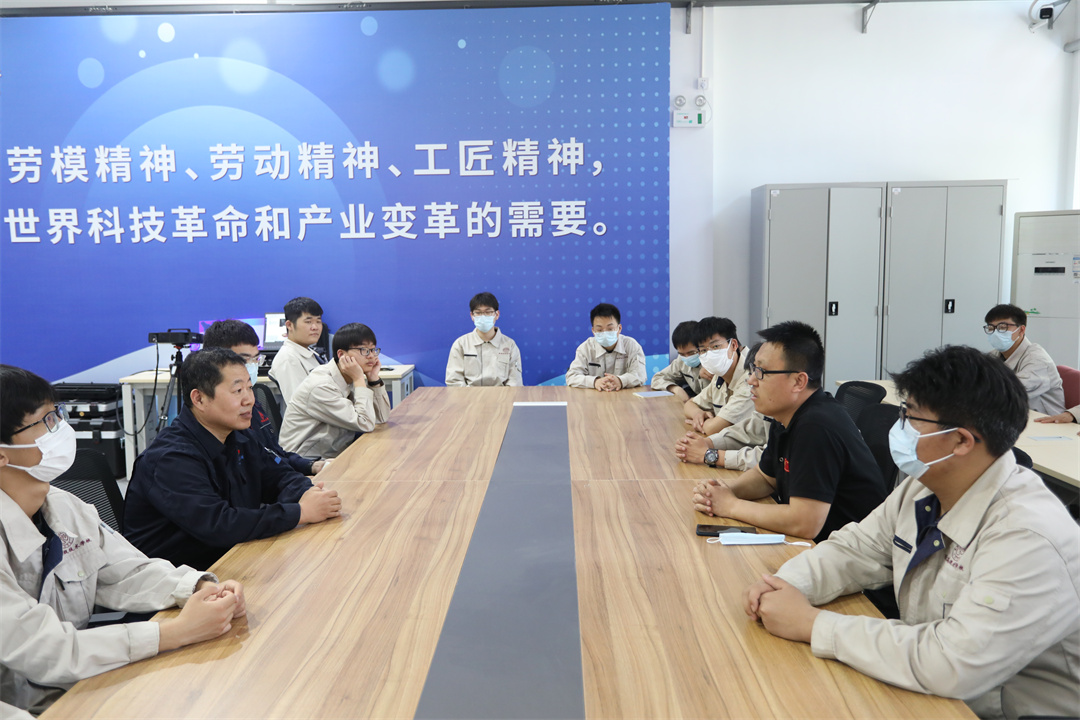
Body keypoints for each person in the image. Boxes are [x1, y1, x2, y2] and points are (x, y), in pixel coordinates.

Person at [744, 345, 1080, 720]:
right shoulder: (924, 487)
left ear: (961, 441)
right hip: (927, 689)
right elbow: (854, 549)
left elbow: (952, 662)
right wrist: (787, 585)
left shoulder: (1028, 536)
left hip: (995, 709)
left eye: (911, 417)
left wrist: (813, 624)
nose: (899, 427)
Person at [0, 365, 246, 717]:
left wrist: (199, 587)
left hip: (79, 686)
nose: (61, 429)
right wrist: (174, 633)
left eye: (58, 415)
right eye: (46, 421)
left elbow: (127, 570)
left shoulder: (64, 506)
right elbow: (47, 650)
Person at [124, 348, 341, 570]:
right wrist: (300, 512)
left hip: (233, 558)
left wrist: (306, 493)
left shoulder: (238, 435)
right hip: (182, 578)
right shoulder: (171, 459)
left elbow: (278, 474)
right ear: (199, 399)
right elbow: (219, 525)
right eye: (237, 390)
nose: (249, 400)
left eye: (250, 387)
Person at [692, 321, 887, 542]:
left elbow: (804, 523)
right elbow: (766, 478)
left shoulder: (817, 426)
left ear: (798, 381)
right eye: (753, 369)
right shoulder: (786, 414)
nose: (751, 380)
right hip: (820, 545)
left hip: (852, 551)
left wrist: (731, 505)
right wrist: (723, 492)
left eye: (762, 372)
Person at [202, 319, 326, 475]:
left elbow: (273, 456)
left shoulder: (251, 402)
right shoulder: (217, 420)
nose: (252, 365)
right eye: (243, 359)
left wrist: (311, 466)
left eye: (255, 359)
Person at [279, 322, 391, 458]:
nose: (371, 356)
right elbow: (365, 423)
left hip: (335, 452)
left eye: (373, 350)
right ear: (341, 354)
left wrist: (373, 379)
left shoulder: (347, 375)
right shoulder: (321, 386)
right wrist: (359, 379)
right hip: (306, 462)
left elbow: (381, 418)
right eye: (364, 350)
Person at [676, 342, 769, 470]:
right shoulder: (719, 376)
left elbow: (770, 459)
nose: (751, 381)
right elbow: (748, 432)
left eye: (760, 373)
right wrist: (707, 443)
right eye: (703, 350)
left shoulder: (799, 423)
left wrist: (710, 455)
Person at [984, 303, 1065, 415]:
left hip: (1046, 421)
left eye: (1002, 327)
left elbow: (1009, 392)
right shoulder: (993, 356)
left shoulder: (1038, 360)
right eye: (991, 328)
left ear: (1021, 330)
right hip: (1011, 416)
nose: (996, 333)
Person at [682, 317, 755, 436]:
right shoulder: (720, 375)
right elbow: (689, 404)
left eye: (715, 347)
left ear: (733, 345)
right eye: (703, 350)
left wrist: (704, 423)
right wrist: (697, 414)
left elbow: (712, 429)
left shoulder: (751, 379)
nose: (709, 354)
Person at [445, 292, 523, 387]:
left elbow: (515, 383)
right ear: (472, 316)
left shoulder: (509, 345)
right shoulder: (461, 344)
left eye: (488, 312)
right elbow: (454, 381)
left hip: (501, 396)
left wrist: (501, 397)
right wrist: (471, 396)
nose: (483, 316)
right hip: (468, 396)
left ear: (497, 314)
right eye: (478, 313)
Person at [565, 303, 647, 391]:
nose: (604, 333)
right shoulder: (585, 348)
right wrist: (595, 382)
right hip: (594, 396)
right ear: (593, 331)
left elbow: (640, 375)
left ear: (619, 328)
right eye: (599, 330)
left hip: (624, 395)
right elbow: (572, 376)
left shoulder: (632, 345)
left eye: (610, 329)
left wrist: (620, 381)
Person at [268, 296, 326, 404]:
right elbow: (300, 405)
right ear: (289, 325)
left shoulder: (310, 352)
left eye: (318, 321)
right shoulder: (288, 359)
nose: (315, 327)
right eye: (308, 322)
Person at [650, 321, 710, 402]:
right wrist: (675, 388)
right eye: (682, 354)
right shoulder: (681, 360)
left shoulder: (713, 361)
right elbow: (657, 378)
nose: (687, 357)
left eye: (691, 353)